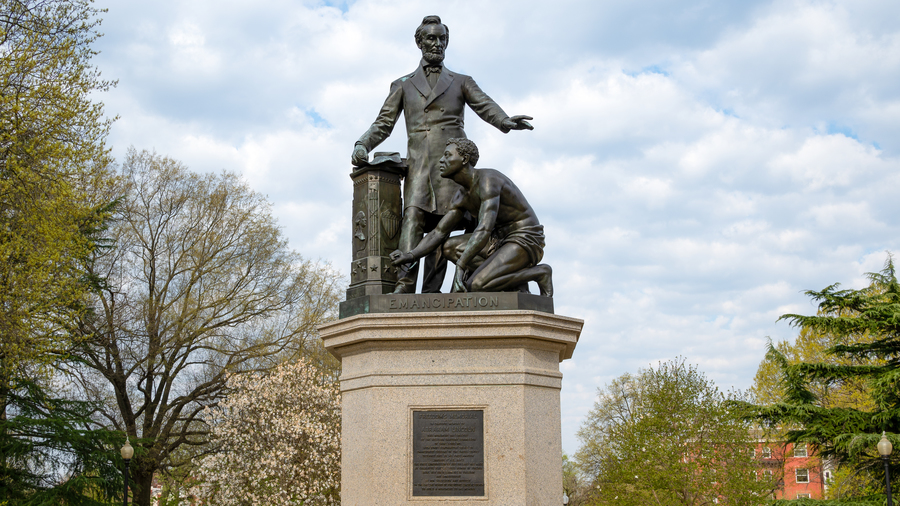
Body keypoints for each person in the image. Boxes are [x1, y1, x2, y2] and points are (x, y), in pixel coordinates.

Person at [351, 15, 533, 294]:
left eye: (442, 39)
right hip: (420, 169)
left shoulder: (460, 81)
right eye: (432, 39)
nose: (438, 44)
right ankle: (404, 284)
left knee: (444, 227)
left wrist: (504, 121)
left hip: (453, 168)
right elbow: (384, 123)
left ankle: (432, 291)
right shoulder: (403, 84)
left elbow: (484, 105)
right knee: (412, 221)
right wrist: (363, 144)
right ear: (419, 42)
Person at [390, 138, 553, 297]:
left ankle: (539, 273)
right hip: (497, 242)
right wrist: (410, 255)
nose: (441, 160)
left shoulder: (488, 181)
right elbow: (439, 232)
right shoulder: (461, 195)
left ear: (464, 159)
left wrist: (461, 266)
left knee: (476, 285)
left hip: (524, 239)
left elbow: (484, 228)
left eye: (447, 155)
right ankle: (506, 278)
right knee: (448, 247)